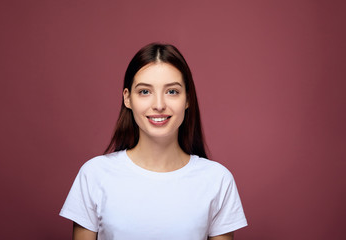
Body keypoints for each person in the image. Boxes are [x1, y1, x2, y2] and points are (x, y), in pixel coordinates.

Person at [60, 43, 247, 240]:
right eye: (145, 92)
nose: (159, 105)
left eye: (172, 91)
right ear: (127, 98)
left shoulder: (218, 180)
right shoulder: (94, 174)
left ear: (187, 99)